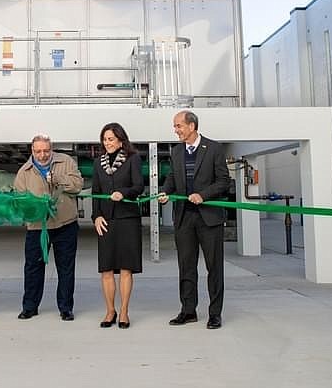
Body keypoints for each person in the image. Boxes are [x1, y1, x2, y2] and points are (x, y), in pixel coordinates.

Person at [158, 110, 231, 329]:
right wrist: (165, 192)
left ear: (192, 126)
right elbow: (172, 177)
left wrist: (203, 195)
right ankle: (188, 311)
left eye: (179, 126)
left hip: (209, 218)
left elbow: (224, 181)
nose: (176, 130)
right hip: (184, 217)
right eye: (175, 126)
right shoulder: (177, 152)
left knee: (214, 267)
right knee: (186, 266)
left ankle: (215, 314)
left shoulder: (214, 149)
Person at [12, 133, 84, 321]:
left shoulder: (66, 162)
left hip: (65, 224)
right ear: (32, 151)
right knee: (33, 268)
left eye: (46, 150)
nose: (42, 155)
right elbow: (19, 202)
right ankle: (29, 307)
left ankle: (66, 308)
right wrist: (35, 207)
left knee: (66, 268)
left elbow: (78, 185)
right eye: (38, 151)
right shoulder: (24, 172)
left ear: (51, 149)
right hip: (37, 227)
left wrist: (58, 179)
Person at [91, 122, 144, 329]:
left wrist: (124, 193)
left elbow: (138, 186)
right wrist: (96, 216)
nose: (107, 143)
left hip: (127, 219)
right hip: (106, 220)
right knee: (106, 269)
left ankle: (124, 311)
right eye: (104, 139)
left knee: (125, 269)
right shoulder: (98, 163)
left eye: (111, 139)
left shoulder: (133, 159)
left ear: (121, 139)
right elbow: (95, 191)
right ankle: (110, 310)